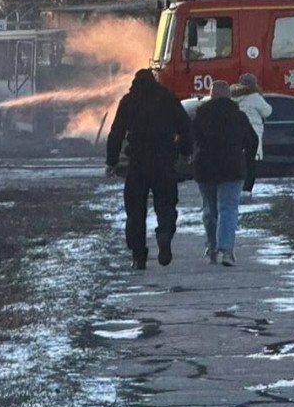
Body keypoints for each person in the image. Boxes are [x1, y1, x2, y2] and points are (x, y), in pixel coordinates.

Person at [106, 69, 193, 270]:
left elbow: (116, 132)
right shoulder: (167, 98)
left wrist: (112, 161)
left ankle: (138, 256)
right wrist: (185, 152)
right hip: (164, 162)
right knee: (166, 204)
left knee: (135, 211)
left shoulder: (128, 101)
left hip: (138, 163)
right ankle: (164, 234)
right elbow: (185, 127)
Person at [192, 80, 258, 267]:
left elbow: (192, 139)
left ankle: (212, 246)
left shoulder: (201, 115)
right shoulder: (239, 116)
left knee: (210, 210)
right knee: (228, 209)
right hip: (232, 168)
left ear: (211, 95)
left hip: (205, 169)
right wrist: (245, 156)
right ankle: (227, 251)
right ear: (230, 96)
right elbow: (252, 141)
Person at [231, 73, 272, 199]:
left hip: (235, 134)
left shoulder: (232, 96)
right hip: (252, 133)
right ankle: (246, 190)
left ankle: (235, 188)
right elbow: (267, 111)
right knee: (250, 164)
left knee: (236, 163)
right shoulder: (254, 97)